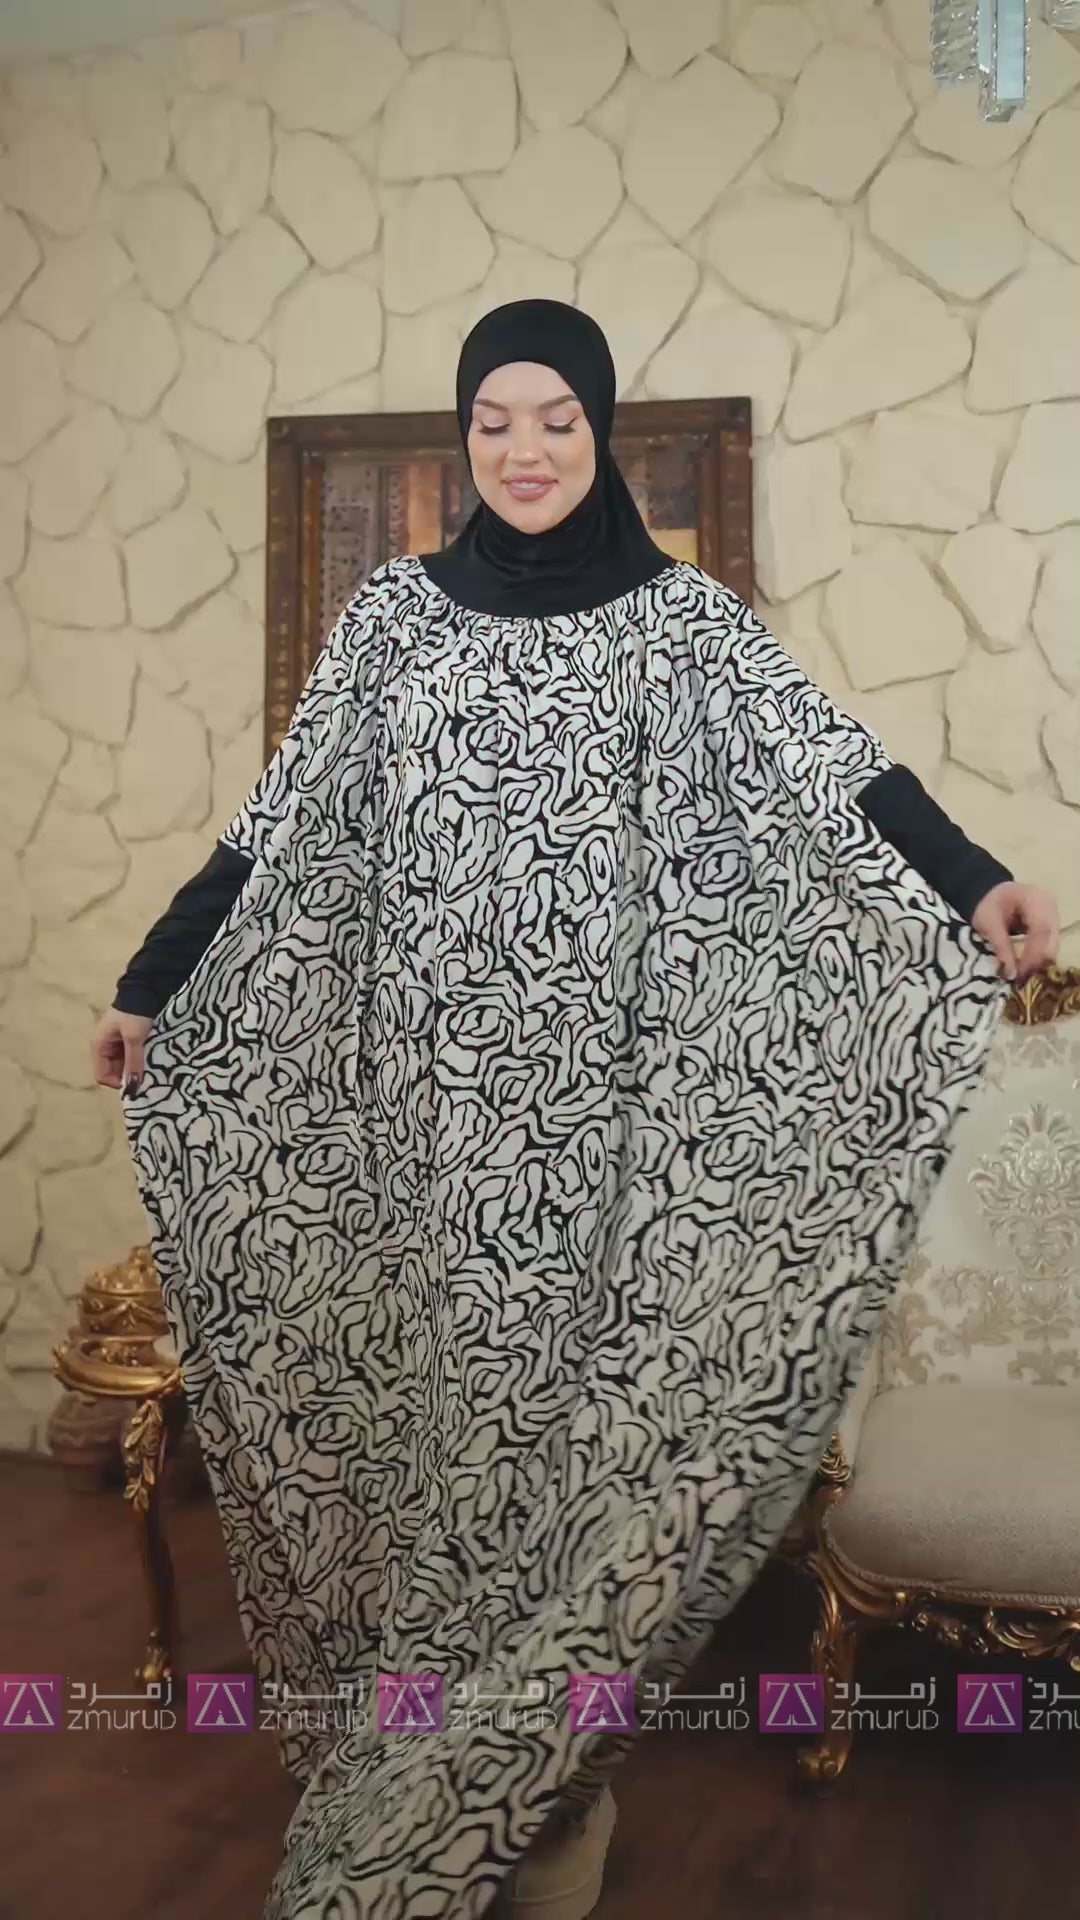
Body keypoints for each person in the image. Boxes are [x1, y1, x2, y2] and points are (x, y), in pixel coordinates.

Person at [93, 300, 1058, 1920]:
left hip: (602, 1129)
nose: (525, 449)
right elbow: (276, 828)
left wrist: (977, 885)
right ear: (463, 436)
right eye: (494, 421)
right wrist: (149, 987)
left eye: (557, 419)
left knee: (561, 1457)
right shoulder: (395, 622)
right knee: (429, 1439)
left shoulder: (681, 624)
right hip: (418, 1127)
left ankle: (546, 1778)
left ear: (598, 433)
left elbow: (836, 772)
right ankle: (426, 1753)